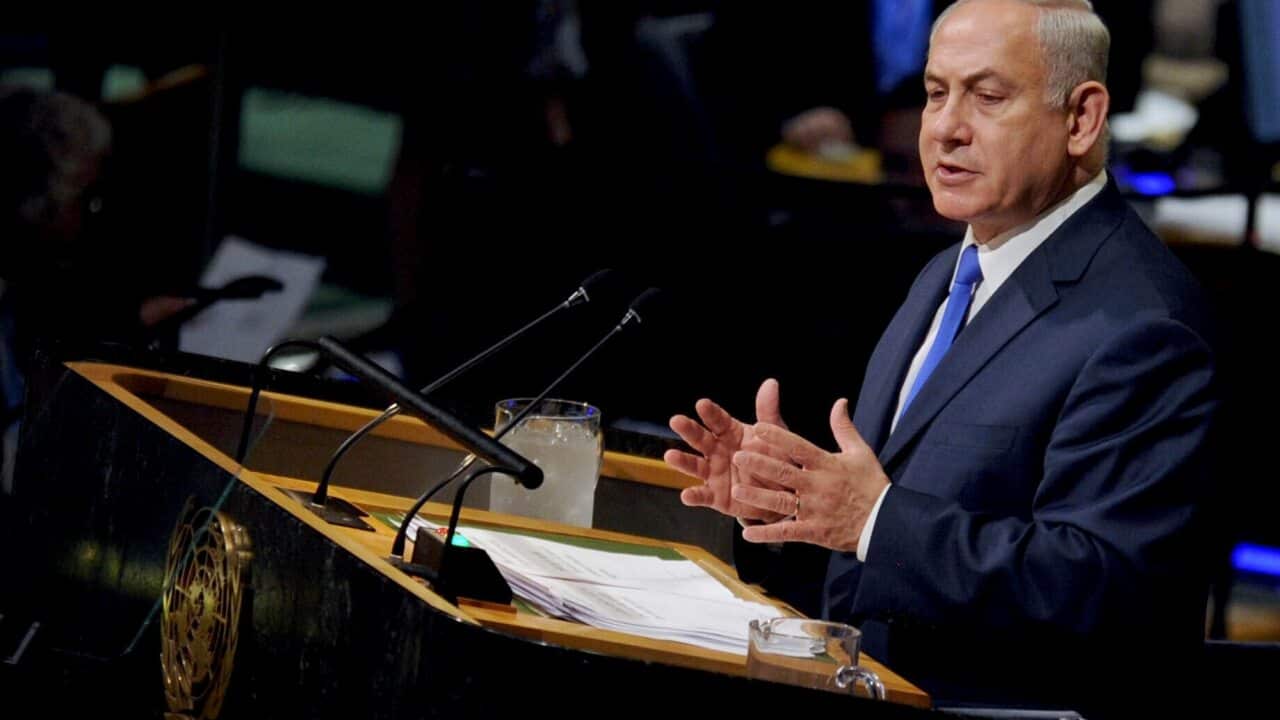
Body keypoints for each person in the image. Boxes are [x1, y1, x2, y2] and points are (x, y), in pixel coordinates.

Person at [663, 0, 1217, 714]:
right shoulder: (946, 272)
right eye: (934, 93)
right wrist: (795, 503)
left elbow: (1100, 587)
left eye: (987, 97)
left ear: (1080, 119)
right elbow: (889, 545)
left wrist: (869, 518)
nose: (946, 129)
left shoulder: (1146, 327)